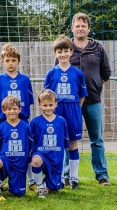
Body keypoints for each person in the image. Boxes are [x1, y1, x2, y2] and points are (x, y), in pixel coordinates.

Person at [70, 12, 112, 186]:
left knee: (97, 140)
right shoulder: (66, 48)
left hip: (93, 101)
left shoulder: (98, 48)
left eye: (83, 26)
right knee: (69, 139)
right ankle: (67, 174)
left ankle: (102, 175)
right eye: (77, 26)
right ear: (73, 28)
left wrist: (93, 86)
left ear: (88, 28)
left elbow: (106, 73)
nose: (80, 28)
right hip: (71, 103)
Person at [44, 34, 88, 189]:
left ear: (71, 52)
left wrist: (75, 108)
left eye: (65, 51)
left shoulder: (77, 73)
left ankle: (74, 178)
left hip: (73, 110)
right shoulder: (51, 73)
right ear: (55, 53)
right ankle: (61, 177)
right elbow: (46, 97)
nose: (62, 54)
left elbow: (82, 96)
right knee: (58, 145)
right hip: (56, 113)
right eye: (59, 51)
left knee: (72, 144)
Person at [0, 43, 35, 189]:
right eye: (7, 60)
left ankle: (32, 182)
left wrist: (18, 115)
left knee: (25, 151)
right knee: (5, 152)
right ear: (2, 61)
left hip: (21, 119)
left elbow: (28, 102)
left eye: (13, 60)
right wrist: (6, 114)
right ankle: (0, 182)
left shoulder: (25, 79)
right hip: (4, 121)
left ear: (18, 61)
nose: (11, 63)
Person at [0, 96, 33, 201]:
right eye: (8, 109)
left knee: (18, 193)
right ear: (4, 111)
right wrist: (2, 159)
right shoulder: (0, 128)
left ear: (20, 109)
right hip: (6, 160)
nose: (12, 111)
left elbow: (31, 147)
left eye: (14, 108)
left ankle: (9, 185)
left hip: (20, 162)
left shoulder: (26, 127)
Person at [30, 89, 69, 198]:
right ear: (39, 105)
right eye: (45, 105)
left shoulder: (61, 121)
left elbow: (65, 142)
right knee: (36, 161)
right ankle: (40, 187)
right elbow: (31, 140)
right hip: (41, 154)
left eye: (50, 105)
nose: (48, 108)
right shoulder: (35, 122)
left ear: (56, 104)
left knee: (54, 189)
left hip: (56, 156)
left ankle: (48, 183)